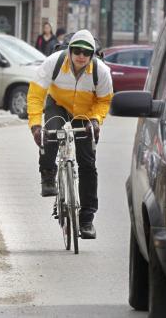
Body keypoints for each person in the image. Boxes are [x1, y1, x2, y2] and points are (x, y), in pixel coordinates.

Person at [27, 29, 113, 239]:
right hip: (58, 104)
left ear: (92, 54)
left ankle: (86, 219)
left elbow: (104, 101)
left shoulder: (101, 72)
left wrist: (95, 121)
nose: (81, 56)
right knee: (50, 133)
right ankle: (48, 174)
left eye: (86, 52)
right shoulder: (53, 63)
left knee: (87, 163)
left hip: (86, 112)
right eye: (76, 51)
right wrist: (36, 126)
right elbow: (36, 96)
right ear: (69, 50)